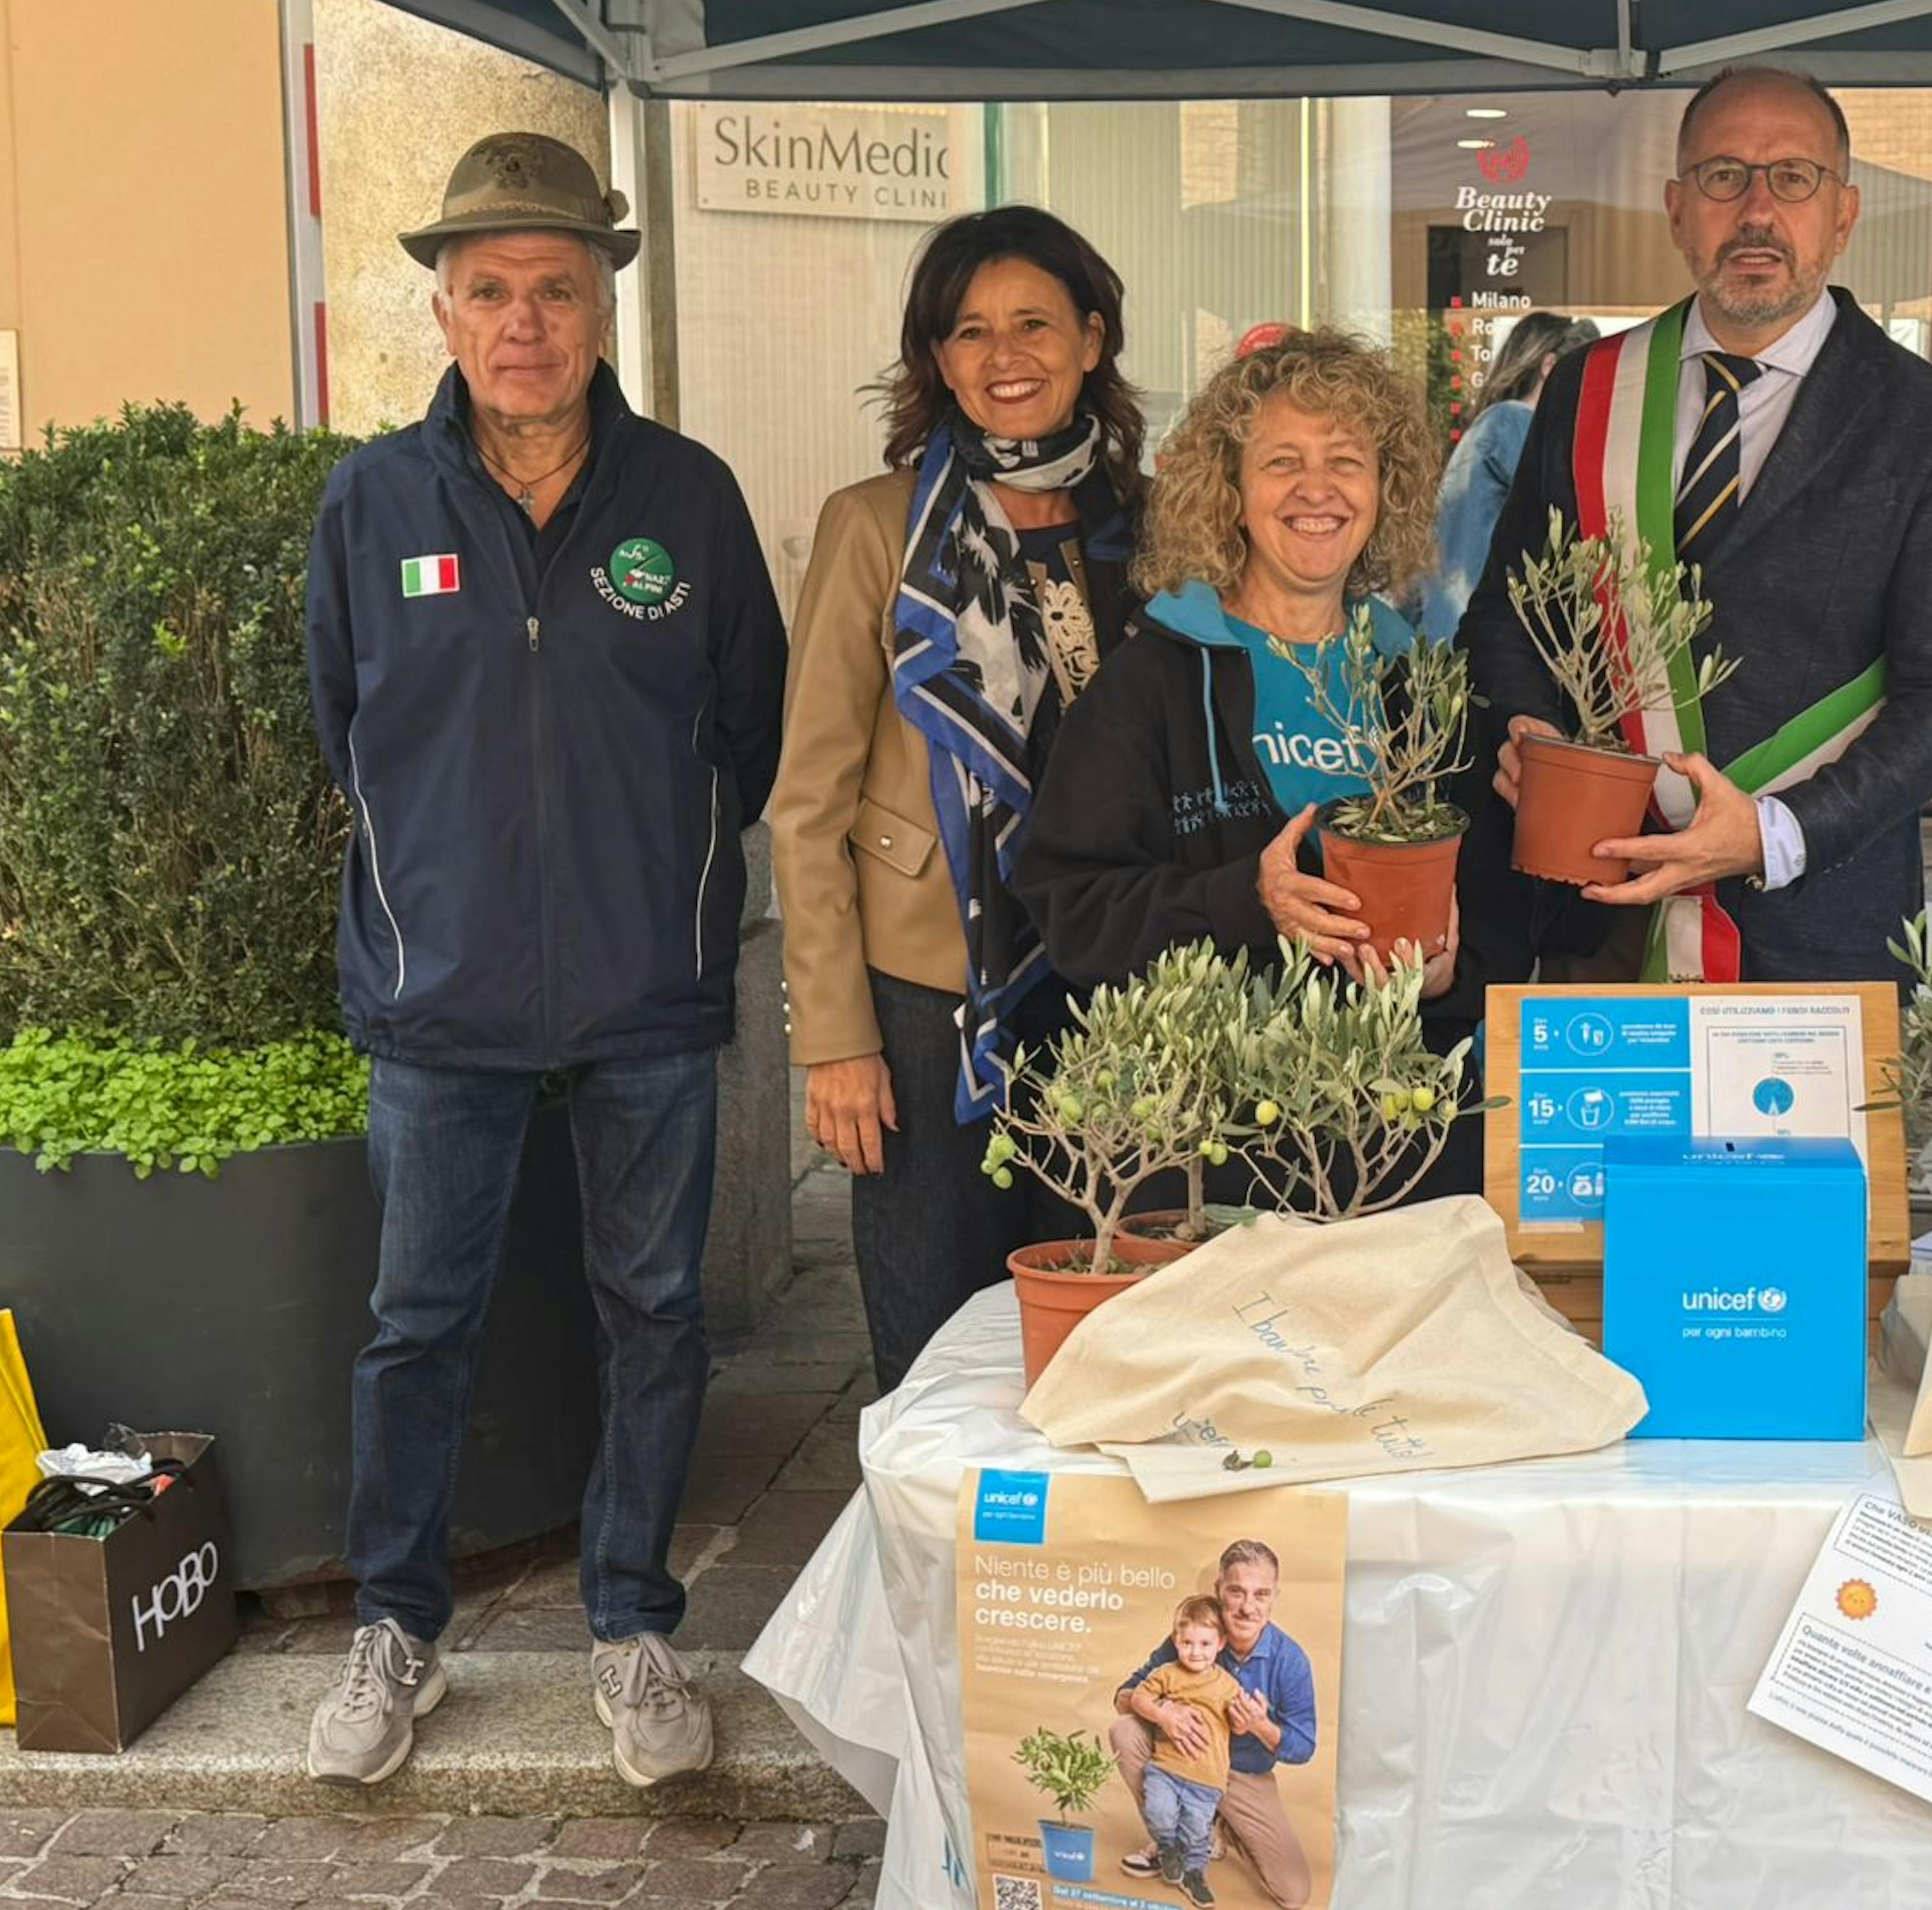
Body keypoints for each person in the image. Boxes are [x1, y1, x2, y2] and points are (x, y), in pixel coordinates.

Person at [301, 132, 784, 1791]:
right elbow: (344, 730)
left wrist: (668, 902)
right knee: (415, 1322)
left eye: (557, 289)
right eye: (492, 290)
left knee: (652, 1311)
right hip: (439, 1003)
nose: (526, 322)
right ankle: (398, 1630)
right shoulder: (373, 504)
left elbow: (750, 732)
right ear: (442, 310)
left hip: (645, 996)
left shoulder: (690, 501)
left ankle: (635, 1626)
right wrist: (436, 899)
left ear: (604, 306)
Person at [1459, 65, 1932, 983]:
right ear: (1678, 210)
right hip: (1597, 912)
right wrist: (1522, 729)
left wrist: (1775, 833)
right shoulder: (1590, 390)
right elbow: (1510, 617)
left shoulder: (1931, 421)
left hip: (1820, 929)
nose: (1757, 210)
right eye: (1724, 177)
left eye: (1794, 177)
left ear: (1844, 212)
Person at [767, 207, 1147, 1396]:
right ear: (937, 361)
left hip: (1109, 986)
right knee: (934, 1355)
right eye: (969, 331)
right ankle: (931, 1581)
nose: (1004, 354)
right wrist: (835, 1039)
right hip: (933, 999)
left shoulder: (1148, 530)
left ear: (1092, 340)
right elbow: (806, 799)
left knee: (1102, 1336)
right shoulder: (877, 526)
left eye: (1034, 323)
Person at [1018, 328, 1481, 1069]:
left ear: (1384, 490)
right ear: (1231, 494)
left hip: (1398, 1112)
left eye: (1346, 463)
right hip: (1215, 1128)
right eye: (1283, 463)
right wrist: (1246, 901)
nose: (1318, 489)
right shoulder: (1152, 683)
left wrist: (1446, 978)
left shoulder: (1418, 682)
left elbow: (1487, 912)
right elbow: (1072, 914)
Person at [1108, 1539, 1322, 1910]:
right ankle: (1172, 1841)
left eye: (1261, 1594)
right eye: (1236, 1591)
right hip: (1179, 1762)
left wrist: (1260, 1726)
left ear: (1275, 1597)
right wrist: (1163, 1714)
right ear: (1218, 1590)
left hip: (1242, 1776)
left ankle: (1224, 1825)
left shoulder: (1291, 1661)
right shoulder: (1194, 1637)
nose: (1247, 1606)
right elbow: (1124, 1696)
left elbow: (1304, 1747)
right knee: (1125, 1730)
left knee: (1293, 1892)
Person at [1415, 310, 1600, 639]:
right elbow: (1572, 514)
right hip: (1468, 628)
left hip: (1450, 624)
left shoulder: (1498, 422)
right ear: (1550, 367)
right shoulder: (1513, 421)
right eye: (1587, 375)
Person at [1131, 1595, 1245, 1907]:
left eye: (1205, 1644)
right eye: (1187, 1643)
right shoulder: (1167, 1674)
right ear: (1176, 1641)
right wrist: (1163, 1714)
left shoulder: (1228, 1685)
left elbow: (1239, 1727)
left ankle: (1194, 1873)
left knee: (1197, 1831)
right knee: (1158, 1811)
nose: (1196, 1652)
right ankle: (1167, 1848)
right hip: (1166, 1768)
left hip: (1207, 1779)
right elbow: (1138, 1699)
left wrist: (1245, 1719)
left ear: (1220, 1643)